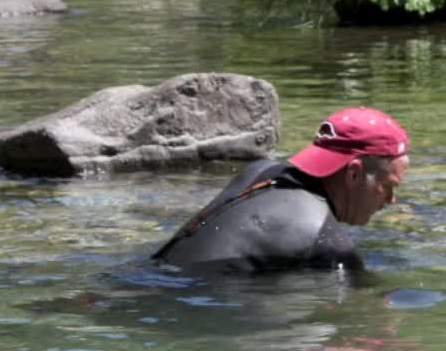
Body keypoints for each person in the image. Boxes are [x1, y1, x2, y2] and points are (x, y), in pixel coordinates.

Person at [153, 107, 410, 272]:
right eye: (388, 186)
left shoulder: (260, 171)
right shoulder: (327, 241)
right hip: (185, 303)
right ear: (354, 173)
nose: (392, 199)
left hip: (153, 274)